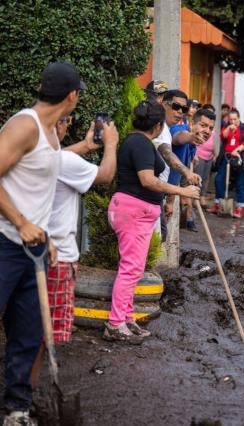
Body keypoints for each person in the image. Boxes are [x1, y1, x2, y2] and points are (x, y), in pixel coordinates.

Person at [0, 61, 84, 425]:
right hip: (4, 243)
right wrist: (20, 222)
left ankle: (16, 410)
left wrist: (44, 235)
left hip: (34, 249)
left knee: (29, 333)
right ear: (72, 96)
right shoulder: (25, 126)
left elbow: (36, 192)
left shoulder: (52, 132)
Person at [104, 101, 201, 343]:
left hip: (138, 211)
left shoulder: (140, 143)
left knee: (134, 269)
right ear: (157, 126)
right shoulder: (139, 144)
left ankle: (127, 318)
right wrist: (182, 192)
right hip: (132, 210)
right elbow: (148, 180)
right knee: (129, 270)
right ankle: (115, 324)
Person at [47, 116, 118, 344]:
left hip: (34, 251)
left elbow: (58, 159)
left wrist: (86, 145)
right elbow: (105, 175)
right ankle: (33, 377)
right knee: (48, 335)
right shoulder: (64, 162)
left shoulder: (33, 155)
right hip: (58, 255)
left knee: (32, 324)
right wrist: (110, 144)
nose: (68, 125)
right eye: (67, 120)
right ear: (58, 124)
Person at [161, 90, 203, 231]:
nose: (180, 112)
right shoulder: (169, 130)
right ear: (163, 104)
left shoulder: (168, 129)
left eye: (183, 109)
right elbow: (178, 139)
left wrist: (171, 201)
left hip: (163, 195)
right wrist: (191, 137)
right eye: (176, 106)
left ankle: (189, 221)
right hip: (150, 196)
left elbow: (174, 174)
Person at [207, 109, 244, 219]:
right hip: (227, 156)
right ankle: (218, 204)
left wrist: (237, 150)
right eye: (230, 119)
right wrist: (228, 128)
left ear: (239, 118)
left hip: (241, 157)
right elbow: (222, 137)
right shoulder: (227, 126)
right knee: (219, 179)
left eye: (235, 119)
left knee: (240, 183)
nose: (232, 121)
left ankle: (239, 208)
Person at [192, 109, 217, 208]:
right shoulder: (183, 133)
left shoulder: (211, 133)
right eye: (203, 125)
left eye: (210, 128)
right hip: (199, 156)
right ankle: (196, 199)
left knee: (205, 178)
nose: (207, 131)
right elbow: (179, 137)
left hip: (209, 156)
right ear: (193, 123)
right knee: (198, 178)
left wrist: (214, 154)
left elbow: (213, 143)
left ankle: (201, 197)